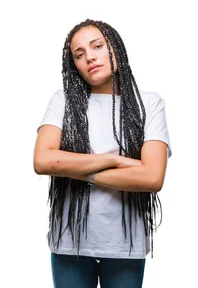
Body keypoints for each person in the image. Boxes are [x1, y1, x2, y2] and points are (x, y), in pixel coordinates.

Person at [33, 19, 171, 288]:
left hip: (124, 245)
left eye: (97, 46)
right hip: (69, 243)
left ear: (115, 49)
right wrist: (114, 159)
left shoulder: (149, 103)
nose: (90, 57)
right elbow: (43, 160)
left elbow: (152, 177)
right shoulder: (62, 100)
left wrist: (79, 171)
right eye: (79, 54)